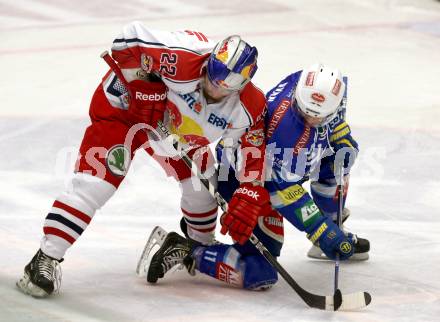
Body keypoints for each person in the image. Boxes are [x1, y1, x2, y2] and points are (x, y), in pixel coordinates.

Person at [17, 21, 270, 297]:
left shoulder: (249, 107)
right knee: (96, 184)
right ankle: (45, 258)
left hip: (176, 131)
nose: (209, 84)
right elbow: (126, 40)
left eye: (219, 86)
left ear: (240, 86)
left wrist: (250, 188)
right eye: (209, 74)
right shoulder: (184, 56)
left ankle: (194, 249)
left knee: (204, 190)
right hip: (125, 113)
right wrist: (144, 89)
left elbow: (251, 150)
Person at [142, 63, 370, 290]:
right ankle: (187, 250)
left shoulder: (312, 83)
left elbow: (334, 116)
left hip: (278, 169)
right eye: (304, 112)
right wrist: (319, 230)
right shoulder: (286, 132)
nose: (310, 119)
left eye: (319, 116)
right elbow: (284, 192)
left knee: (336, 162)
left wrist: (340, 134)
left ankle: (334, 229)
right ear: (296, 99)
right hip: (247, 181)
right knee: (260, 273)